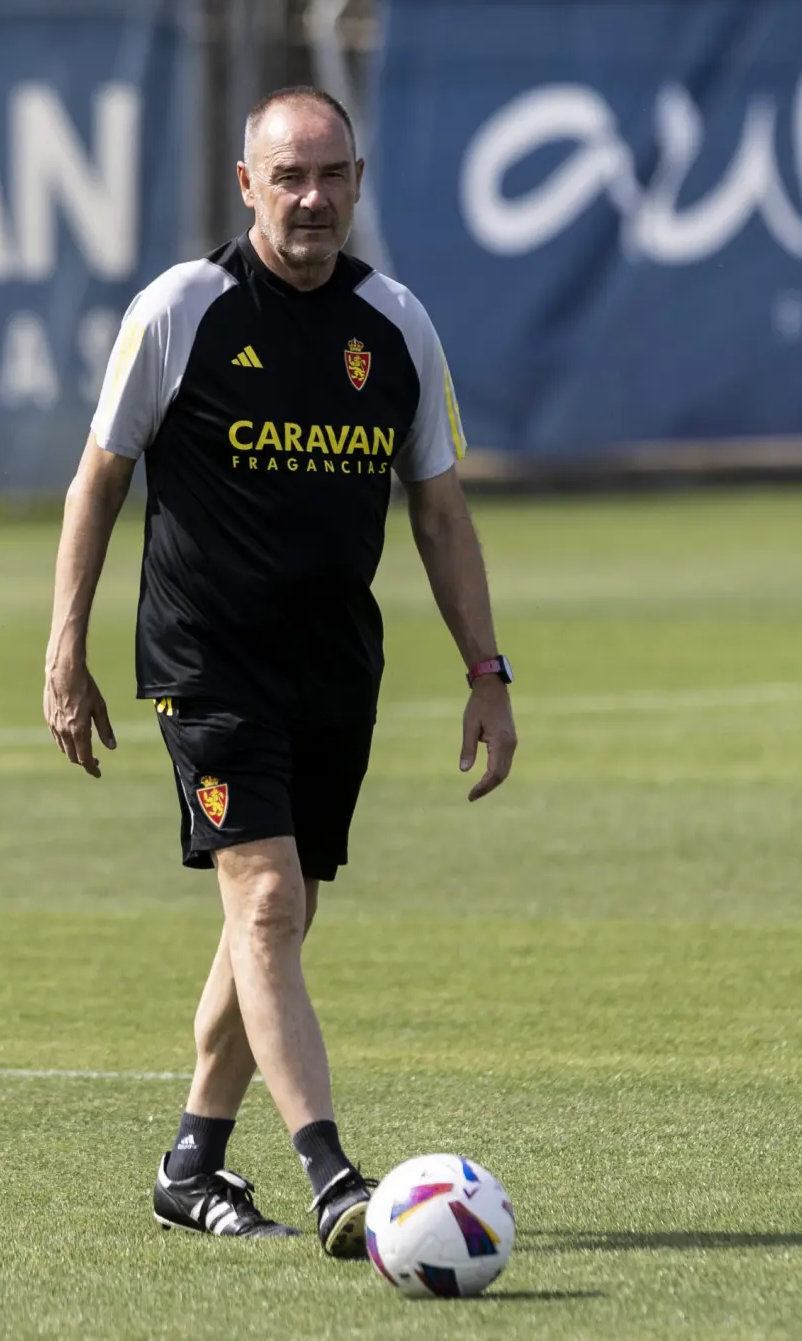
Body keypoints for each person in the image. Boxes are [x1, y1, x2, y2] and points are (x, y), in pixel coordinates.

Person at [43, 86, 517, 1257]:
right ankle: (333, 1175)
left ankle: (192, 1160)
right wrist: (67, 647)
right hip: (205, 664)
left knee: (282, 911)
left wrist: (487, 672)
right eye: (287, 178)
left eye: (331, 177)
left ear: (357, 182)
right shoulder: (183, 309)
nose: (311, 199)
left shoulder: (397, 324)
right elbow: (97, 482)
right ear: (247, 185)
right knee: (263, 899)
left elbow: (442, 514)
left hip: (334, 670)